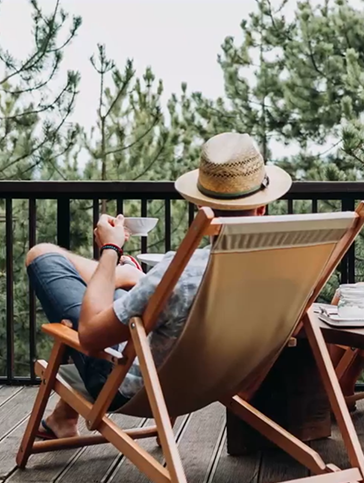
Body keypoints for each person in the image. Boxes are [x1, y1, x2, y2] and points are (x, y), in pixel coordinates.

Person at [25, 132, 292, 439]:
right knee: (130, 293)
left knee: (41, 256)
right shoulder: (284, 271)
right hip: (212, 381)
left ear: (199, 206)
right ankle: (126, 279)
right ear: (261, 209)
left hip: (129, 384)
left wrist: (111, 249)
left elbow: (90, 337)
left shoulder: (178, 274)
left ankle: (121, 274)